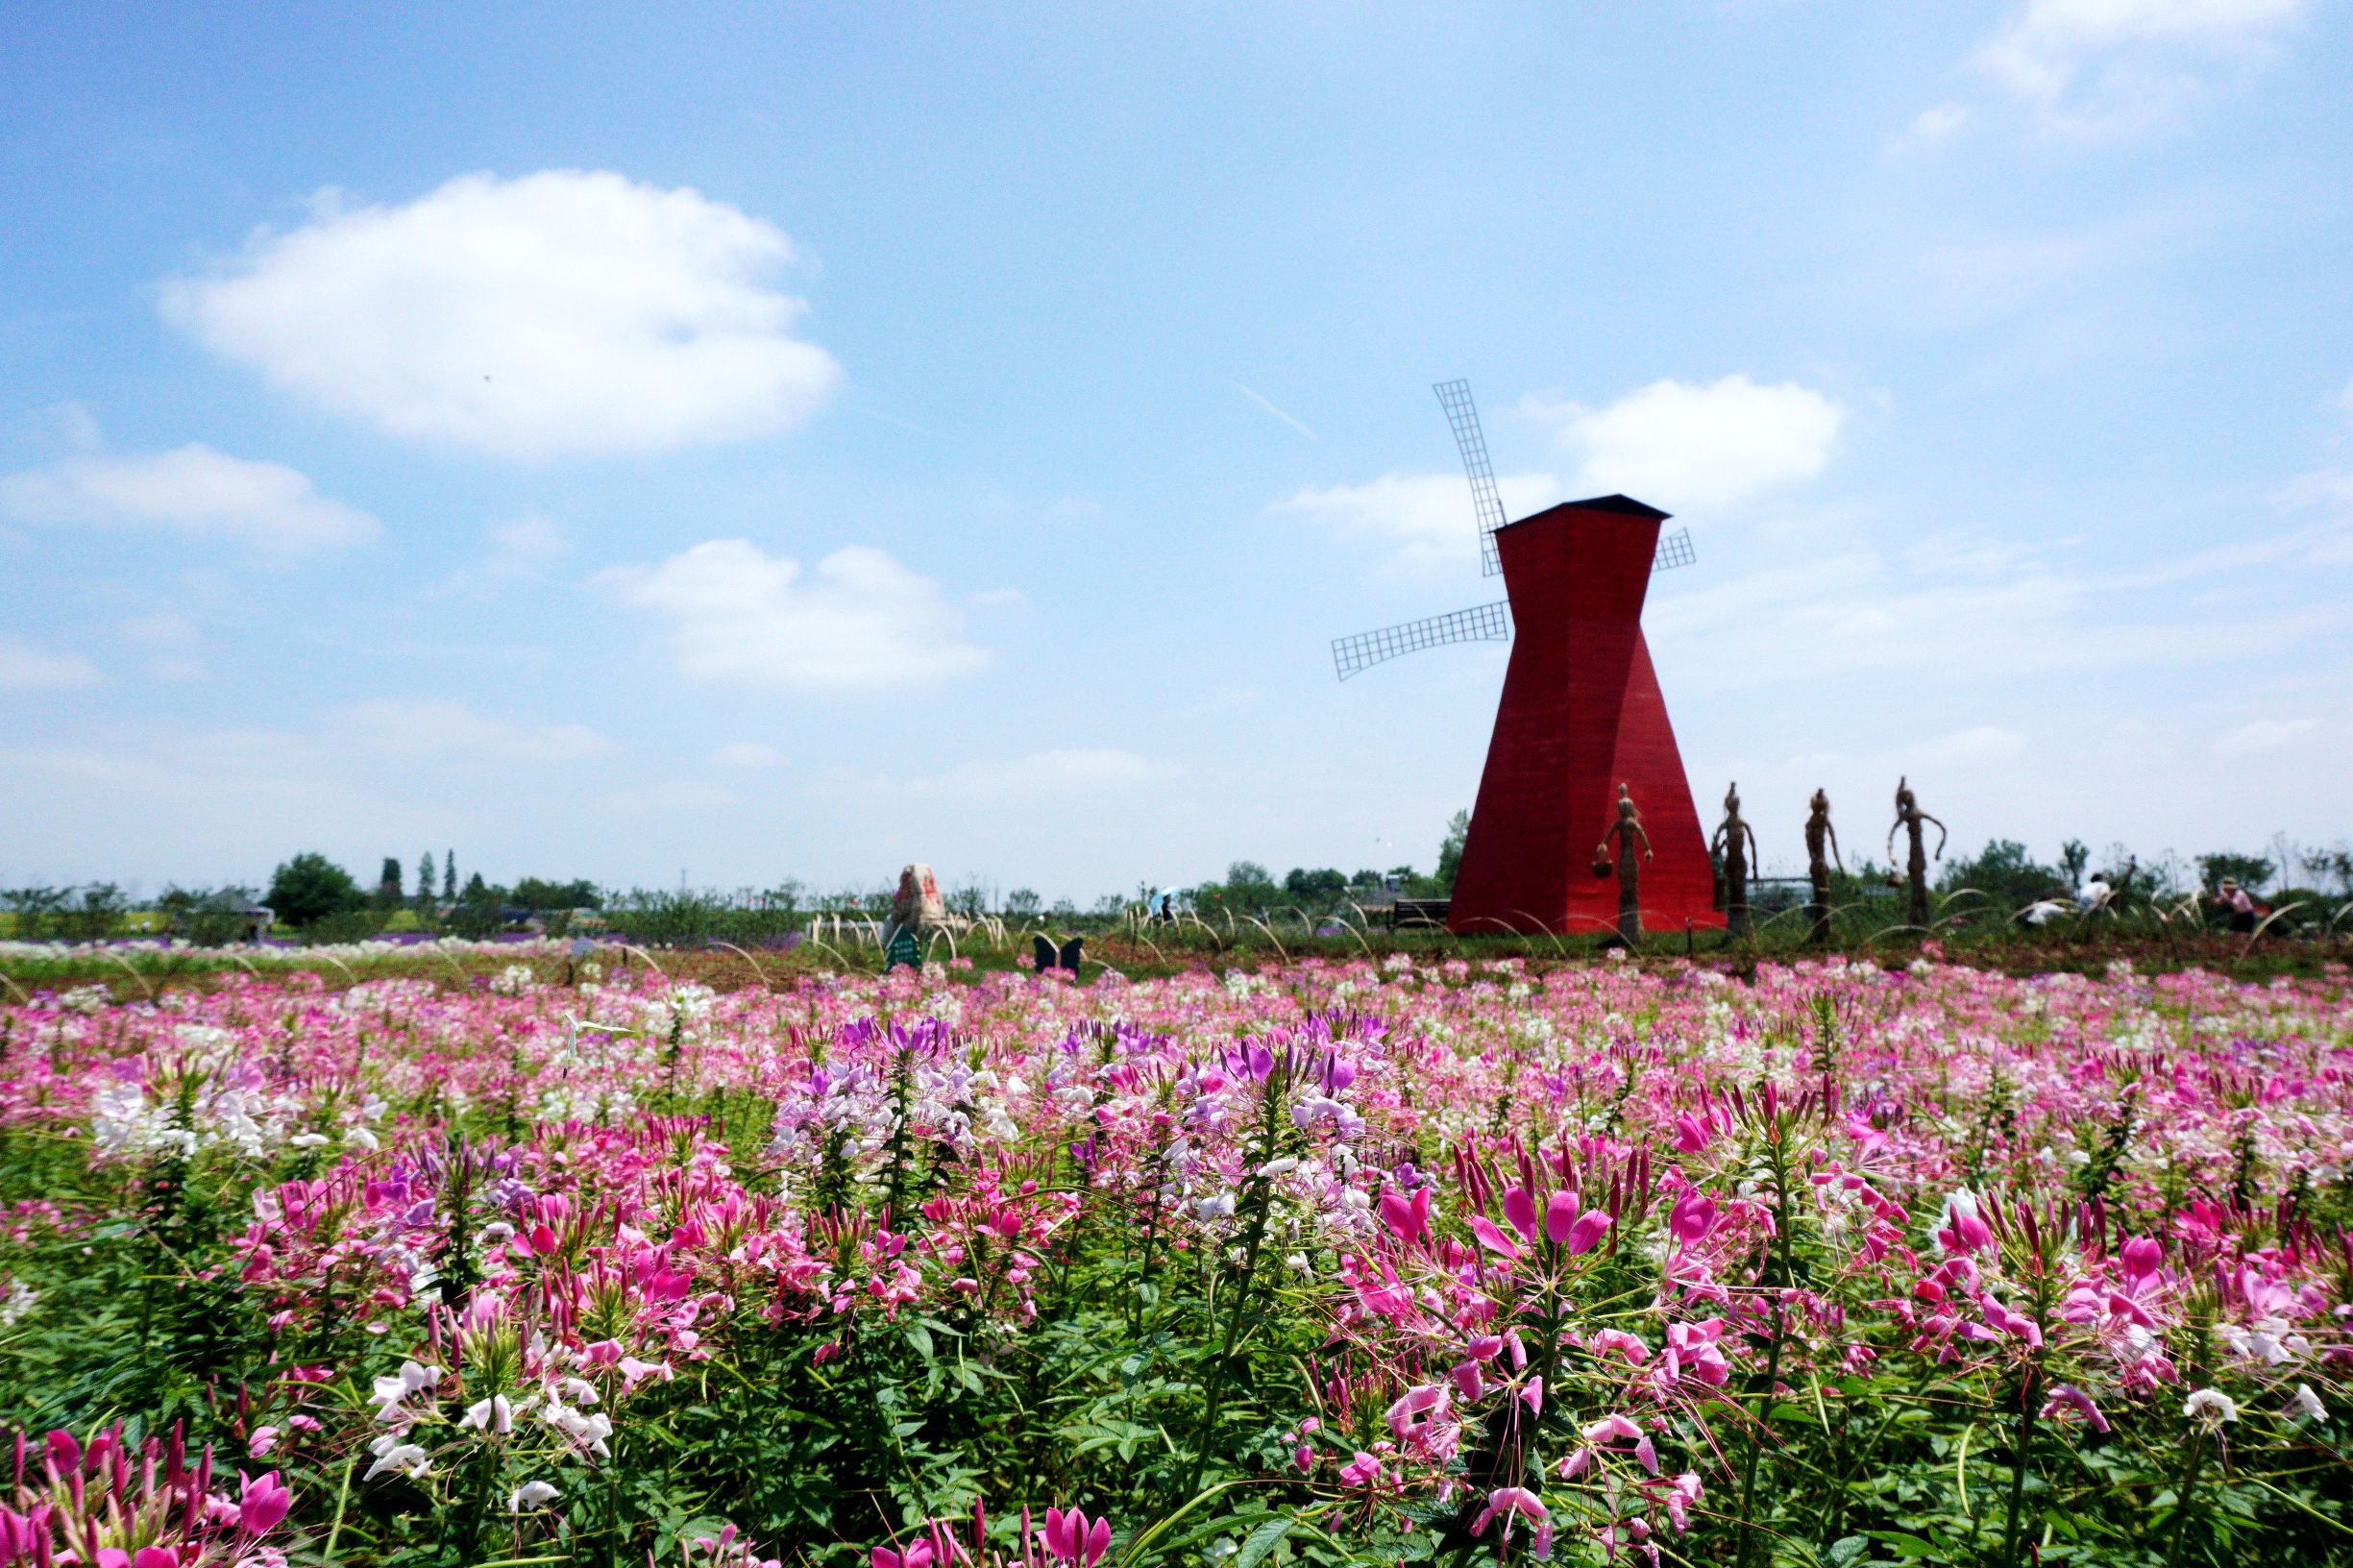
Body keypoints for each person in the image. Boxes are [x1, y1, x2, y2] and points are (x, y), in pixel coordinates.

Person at [1594, 782, 1654, 945]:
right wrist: (1648, 850)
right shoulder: (1628, 823)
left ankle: (1632, 925)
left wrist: (1648, 849)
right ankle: (1630, 925)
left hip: (1626, 856)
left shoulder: (1622, 823)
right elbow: (1641, 836)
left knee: (1629, 885)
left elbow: (1606, 839)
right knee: (1628, 884)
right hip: (1628, 857)